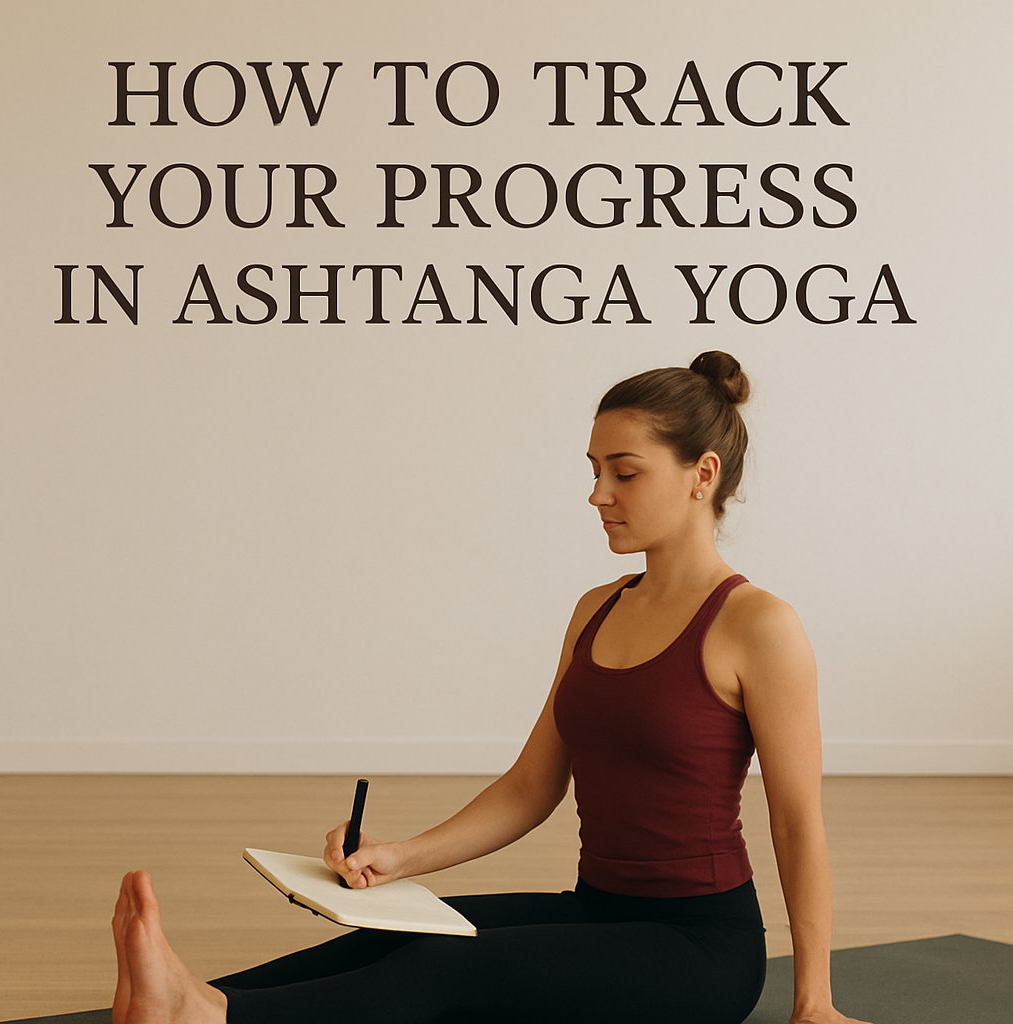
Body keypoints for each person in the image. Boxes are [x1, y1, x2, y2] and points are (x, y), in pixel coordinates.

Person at [112, 351, 873, 1024]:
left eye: (625, 472)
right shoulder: (597, 609)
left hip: (700, 949)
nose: (598, 493)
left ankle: (205, 1017)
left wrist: (812, 1002)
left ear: (702, 474)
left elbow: (797, 825)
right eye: (594, 470)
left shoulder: (758, 625)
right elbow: (530, 786)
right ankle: (188, 994)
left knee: (445, 968)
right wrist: (399, 860)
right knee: (402, 933)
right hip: (597, 914)